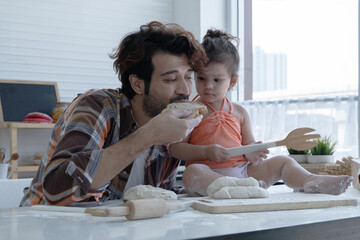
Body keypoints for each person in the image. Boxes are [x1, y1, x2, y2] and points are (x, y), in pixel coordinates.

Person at [20, 21, 207, 206]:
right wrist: (148, 136)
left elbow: (159, 195)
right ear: (137, 84)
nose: (185, 89)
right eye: (171, 79)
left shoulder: (168, 122)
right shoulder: (98, 106)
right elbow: (56, 191)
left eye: (188, 77)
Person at [169, 29, 353, 197]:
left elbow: (247, 145)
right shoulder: (191, 111)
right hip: (209, 175)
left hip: (244, 173)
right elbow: (176, 149)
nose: (208, 85)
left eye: (217, 80)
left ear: (232, 82)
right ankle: (233, 189)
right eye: (201, 78)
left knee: (282, 161)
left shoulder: (240, 112)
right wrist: (206, 152)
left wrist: (253, 152)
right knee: (192, 173)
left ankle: (311, 180)